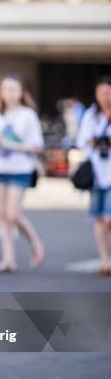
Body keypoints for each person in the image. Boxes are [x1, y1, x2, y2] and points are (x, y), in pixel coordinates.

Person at [0, 74, 45, 272]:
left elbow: (37, 147)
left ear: (21, 91)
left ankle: (35, 242)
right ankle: (9, 259)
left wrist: (11, 145)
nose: (9, 94)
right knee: (2, 215)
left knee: (12, 214)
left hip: (20, 170)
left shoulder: (28, 115)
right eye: (6, 89)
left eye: (13, 89)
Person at [76, 76, 111, 276]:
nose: (104, 97)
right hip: (97, 174)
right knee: (98, 218)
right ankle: (104, 261)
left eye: (107, 93)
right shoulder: (92, 115)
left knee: (108, 219)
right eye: (101, 94)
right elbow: (81, 141)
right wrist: (94, 142)